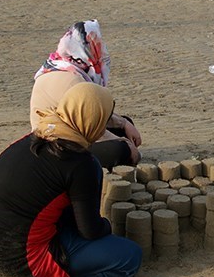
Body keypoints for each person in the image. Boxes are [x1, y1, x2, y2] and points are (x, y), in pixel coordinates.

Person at [0, 82, 142, 277]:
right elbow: (91, 231)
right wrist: (111, 225)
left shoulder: (39, 135)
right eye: (104, 121)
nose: (104, 129)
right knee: (129, 257)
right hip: (23, 262)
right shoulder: (81, 164)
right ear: (93, 121)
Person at [30, 20, 142, 171]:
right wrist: (124, 144)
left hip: (71, 131)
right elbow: (88, 121)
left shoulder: (62, 66)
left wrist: (124, 124)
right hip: (56, 145)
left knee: (125, 126)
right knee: (121, 150)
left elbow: (93, 114)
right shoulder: (70, 79)